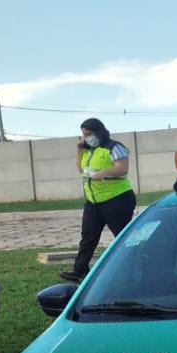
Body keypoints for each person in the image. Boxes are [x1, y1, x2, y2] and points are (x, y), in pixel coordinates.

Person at [62, 118, 136, 283]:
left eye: (89, 134)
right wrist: (79, 150)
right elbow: (82, 169)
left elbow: (122, 169)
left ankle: (134, 264)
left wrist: (104, 173)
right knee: (88, 236)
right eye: (83, 135)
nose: (86, 137)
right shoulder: (89, 150)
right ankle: (79, 270)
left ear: (99, 132)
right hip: (93, 201)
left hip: (117, 199)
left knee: (122, 235)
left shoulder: (114, 147)